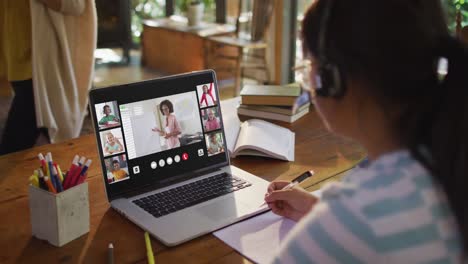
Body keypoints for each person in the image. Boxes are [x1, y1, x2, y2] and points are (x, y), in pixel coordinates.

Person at [264, 0, 467, 262]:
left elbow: (368, 222)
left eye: (308, 67)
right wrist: (319, 211)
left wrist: (335, 223)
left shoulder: (357, 215)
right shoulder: (447, 160)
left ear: (333, 79)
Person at [0, 0, 96, 155]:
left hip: (40, 65)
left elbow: (76, 4)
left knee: (13, 147)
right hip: (15, 56)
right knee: (40, 132)